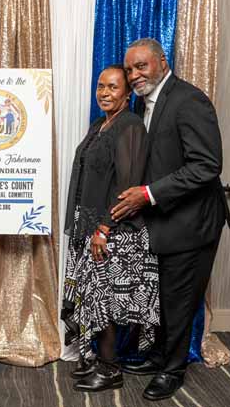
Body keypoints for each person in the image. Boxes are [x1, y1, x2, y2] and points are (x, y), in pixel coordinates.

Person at [113, 38, 230, 401]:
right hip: (167, 221)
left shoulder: (187, 100)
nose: (134, 74)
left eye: (141, 66)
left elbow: (206, 166)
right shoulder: (146, 102)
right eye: (130, 69)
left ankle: (172, 370)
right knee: (165, 297)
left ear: (162, 62)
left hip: (193, 222)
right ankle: (163, 356)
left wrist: (147, 194)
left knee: (178, 299)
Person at [62, 64, 159, 393]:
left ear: (127, 94)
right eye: (101, 87)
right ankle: (94, 360)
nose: (104, 93)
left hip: (112, 230)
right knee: (91, 298)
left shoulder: (130, 126)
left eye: (113, 87)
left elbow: (128, 185)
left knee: (104, 301)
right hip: (89, 225)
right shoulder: (99, 125)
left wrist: (104, 227)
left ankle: (110, 369)